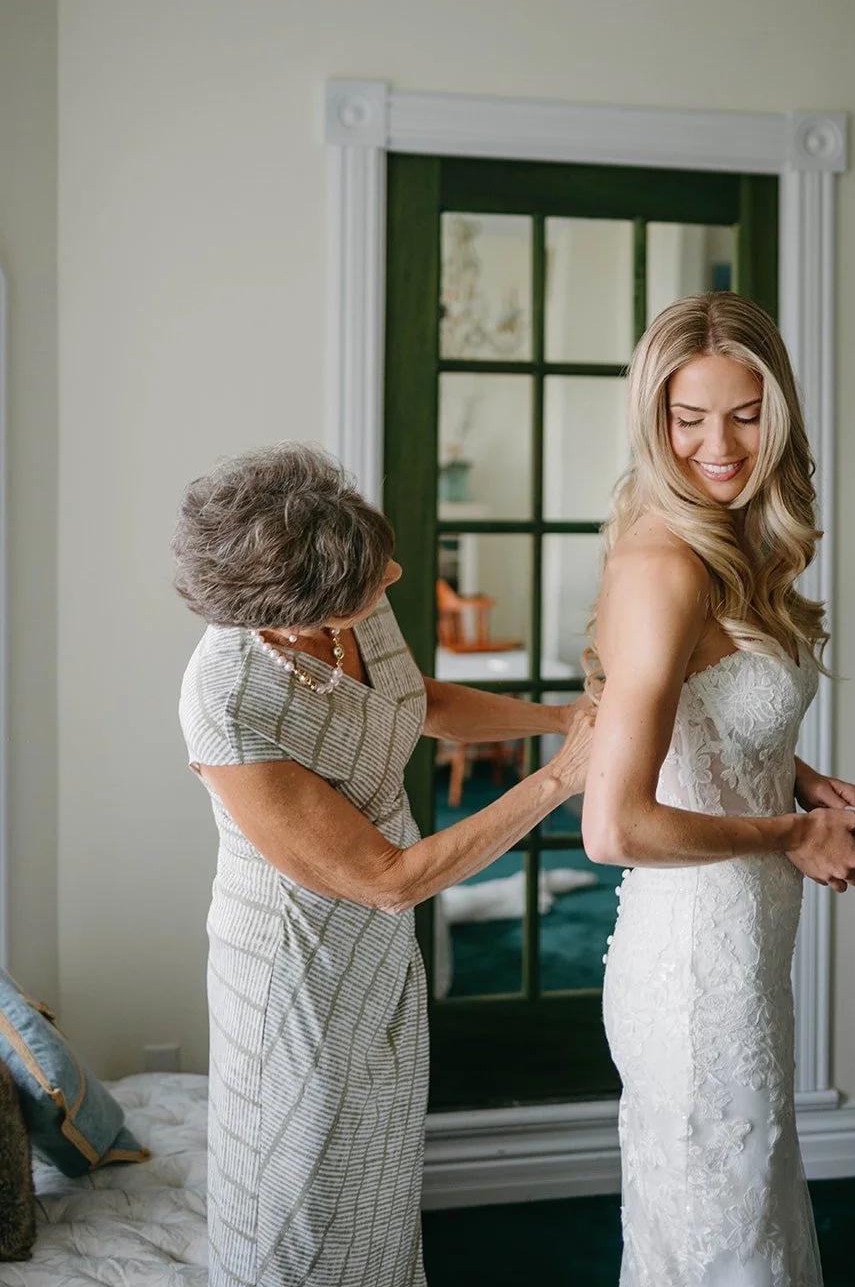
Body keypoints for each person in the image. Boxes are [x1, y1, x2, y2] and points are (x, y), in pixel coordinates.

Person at [172, 443, 592, 1287]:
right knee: (307, 1195)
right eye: (377, 573)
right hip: (299, 971)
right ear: (296, 617)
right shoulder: (228, 703)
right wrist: (560, 779)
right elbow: (388, 878)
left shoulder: (348, 595)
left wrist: (557, 716)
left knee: (381, 1172)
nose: (396, 571)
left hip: (380, 951)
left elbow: (417, 699)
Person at [582, 292, 855, 1287]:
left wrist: (788, 769)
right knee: (723, 1242)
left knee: (742, 1214)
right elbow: (613, 824)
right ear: (653, 421)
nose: (718, 444)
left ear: (778, 413)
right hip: (692, 968)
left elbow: (700, 708)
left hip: (744, 946)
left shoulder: (735, 540)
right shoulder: (663, 561)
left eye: (745, 414)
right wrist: (791, 829)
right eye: (687, 417)